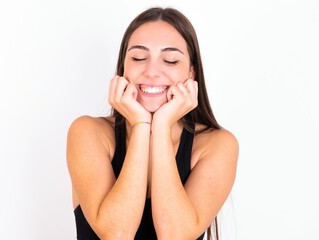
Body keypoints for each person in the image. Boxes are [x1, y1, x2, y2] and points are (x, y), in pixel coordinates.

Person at [67, 7, 238, 240]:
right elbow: (116, 234)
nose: (152, 71)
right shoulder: (88, 132)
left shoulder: (217, 145)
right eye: (138, 58)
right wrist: (140, 124)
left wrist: (160, 127)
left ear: (191, 74)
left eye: (170, 60)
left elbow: (174, 236)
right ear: (123, 68)